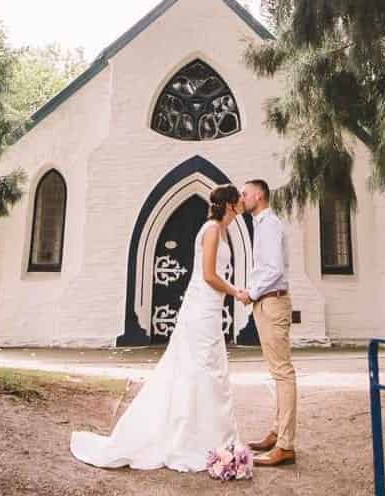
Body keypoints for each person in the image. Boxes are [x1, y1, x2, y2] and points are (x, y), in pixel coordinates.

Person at [69, 183, 251, 471]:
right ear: (230, 204)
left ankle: (209, 437)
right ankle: (187, 439)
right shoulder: (213, 230)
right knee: (199, 368)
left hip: (210, 308)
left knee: (207, 370)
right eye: (239, 197)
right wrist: (236, 292)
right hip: (202, 307)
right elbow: (207, 275)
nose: (243, 200)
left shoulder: (223, 230)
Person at [241, 178, 297, 467]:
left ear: (259, 195)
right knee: (277, 372)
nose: (242, 198)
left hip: (273, 301)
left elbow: (274, 269)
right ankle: (277, 433)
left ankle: (285, 445)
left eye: (245, 193)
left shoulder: (270, 225)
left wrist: (250, 293)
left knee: (283, 372)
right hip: (265, 301)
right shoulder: (260, 225)